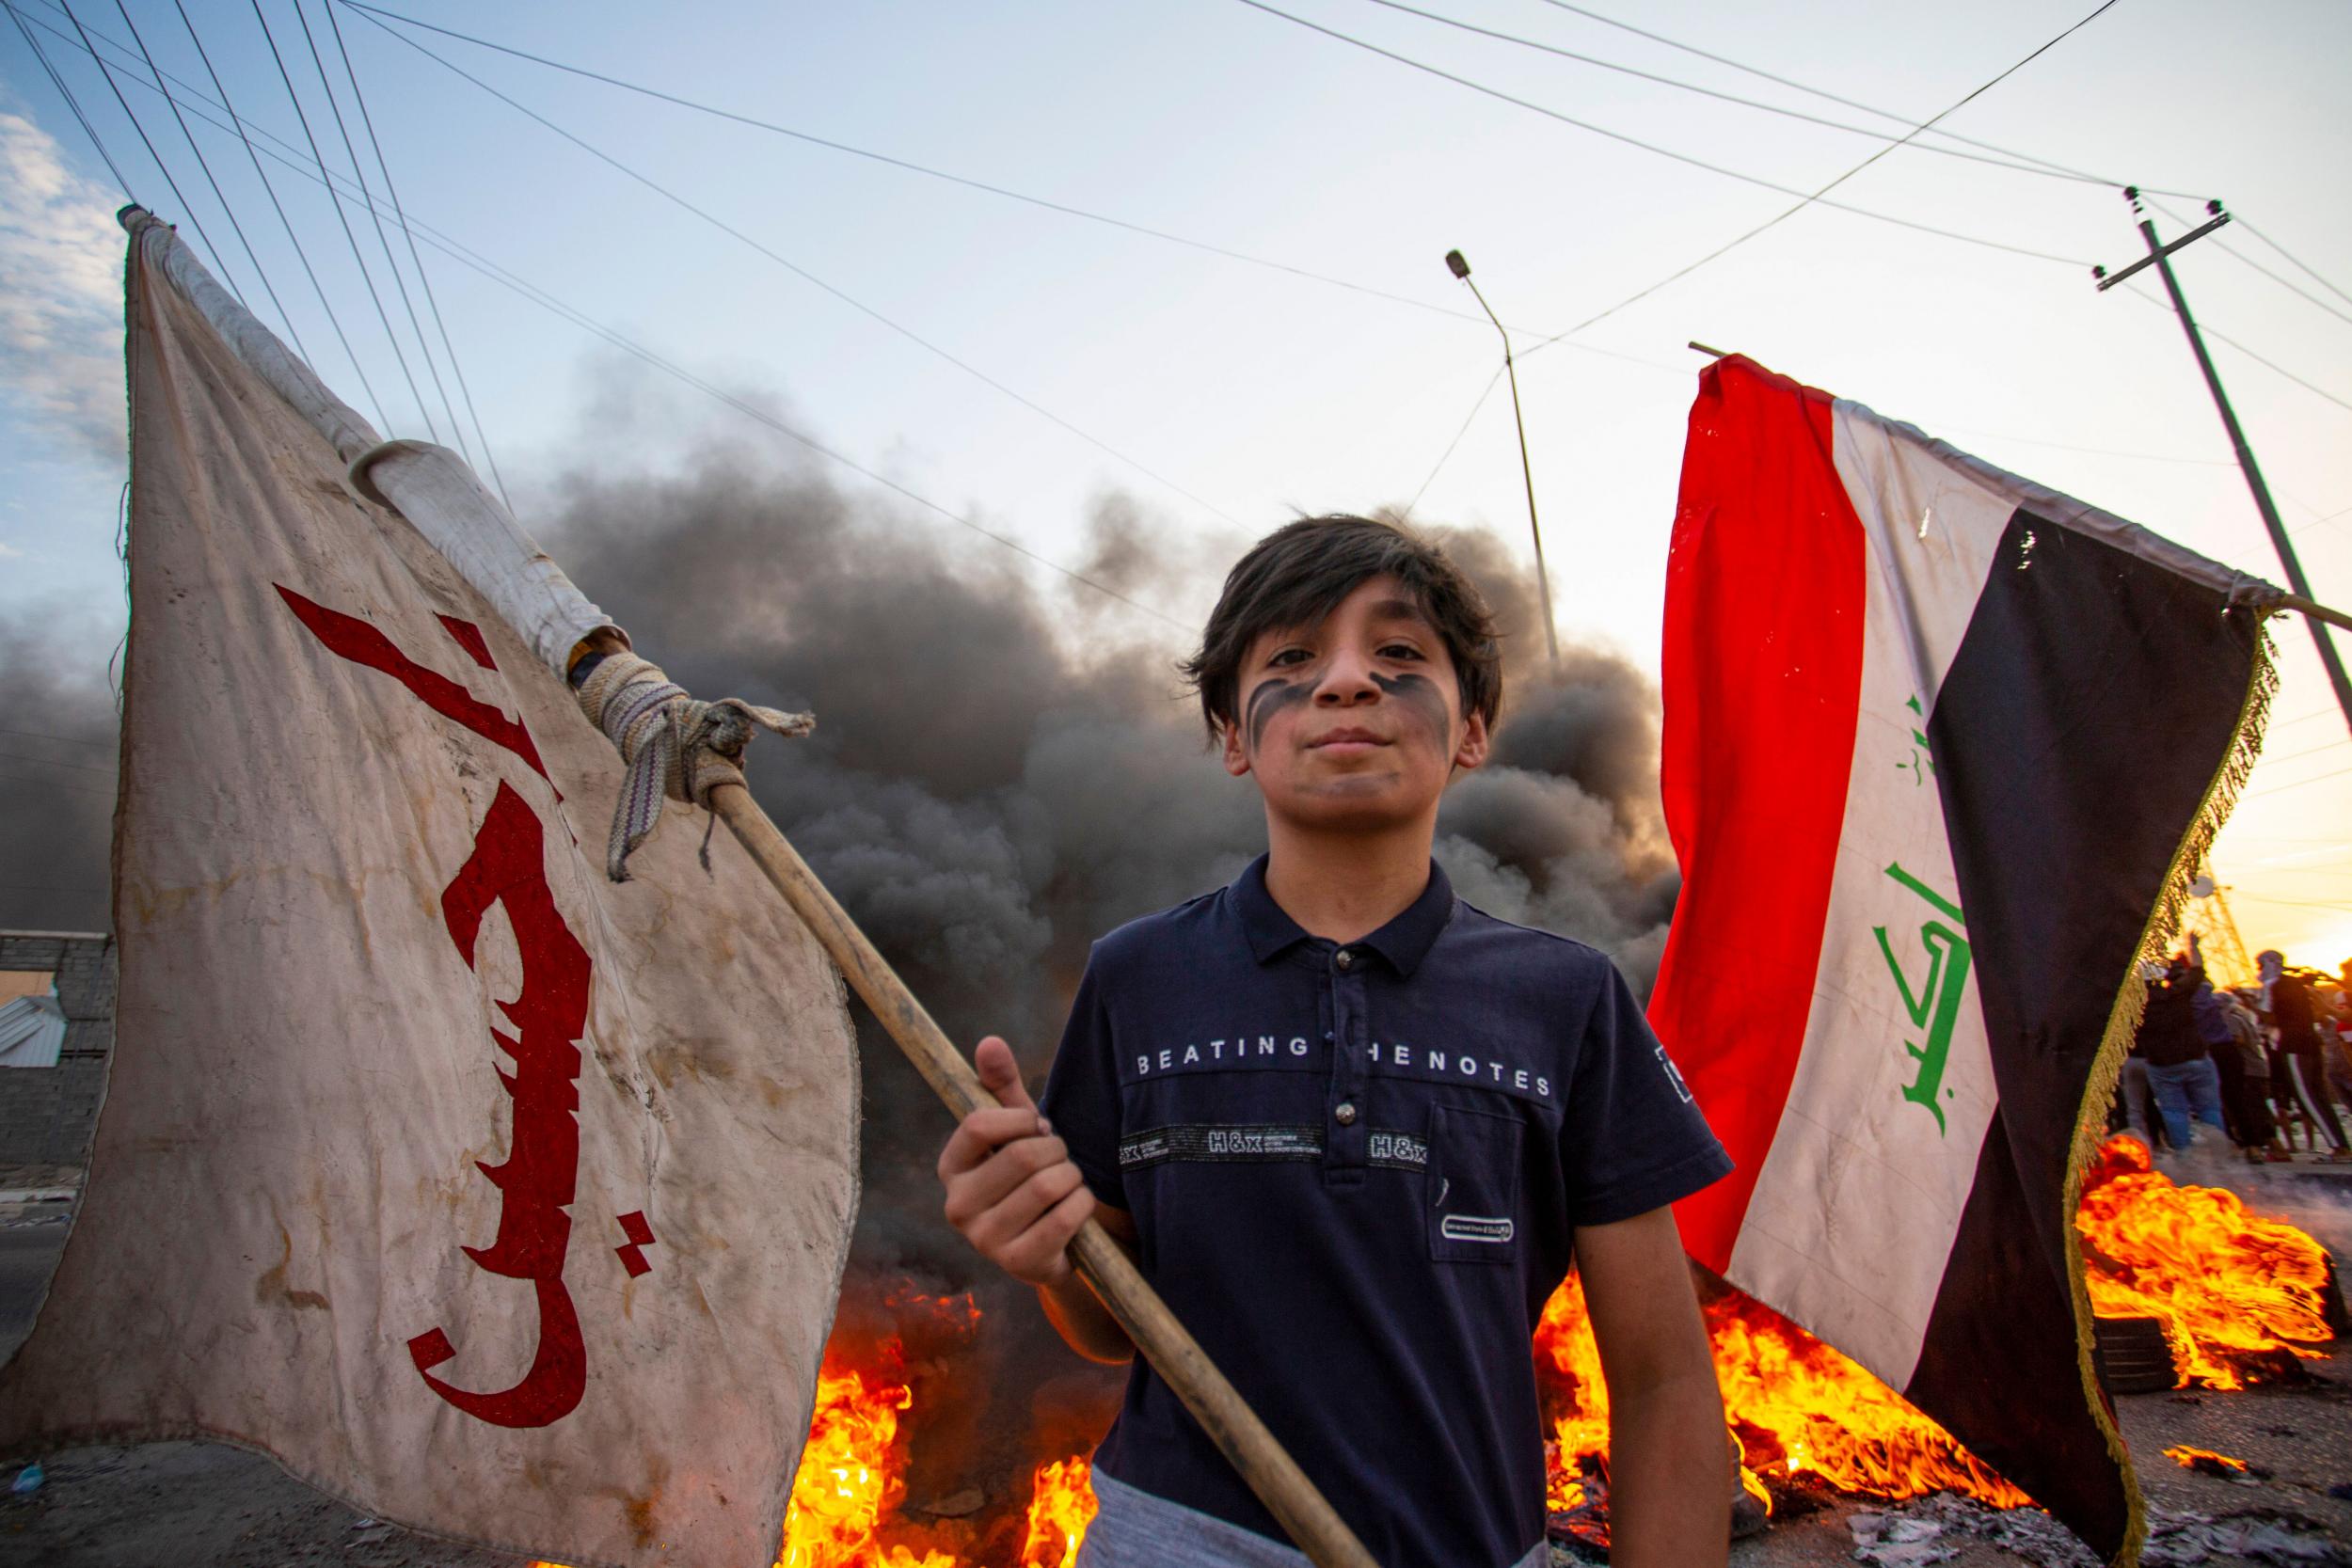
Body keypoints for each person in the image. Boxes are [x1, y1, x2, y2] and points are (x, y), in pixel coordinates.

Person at [936, 516, 1735, 1568]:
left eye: (1399, 655)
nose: (1348, 681)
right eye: (1292, 658)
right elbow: (1109, 1321)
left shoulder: (1567, 997)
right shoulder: (1137, 976)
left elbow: (1664, 1380)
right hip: (1175, 1540)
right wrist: (1041, 1246)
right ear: (1233, 734)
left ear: (1472, 729)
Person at [2257, 949, 2351, 1160]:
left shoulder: (2273, 985)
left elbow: (2268, 1018)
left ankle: (2339, 1148)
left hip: (2293, 1046)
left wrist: (2252, 1006)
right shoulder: (2297, 984)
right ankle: (2340, 1144)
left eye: (2261, 966)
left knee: (2306, 1097)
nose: (2259, 971)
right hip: (2312, 1043)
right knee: (2320, 1097)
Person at [2135, 940, 2227, 1153]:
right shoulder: (2178, 994)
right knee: (2209, 1109)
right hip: (2194, 1057)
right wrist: (2193, 946)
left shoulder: (2136, 1008)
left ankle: (2186, 1158)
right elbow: (2197, 971)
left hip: (2161, 1065)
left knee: (2173, 1112)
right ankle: (2217, 1154)